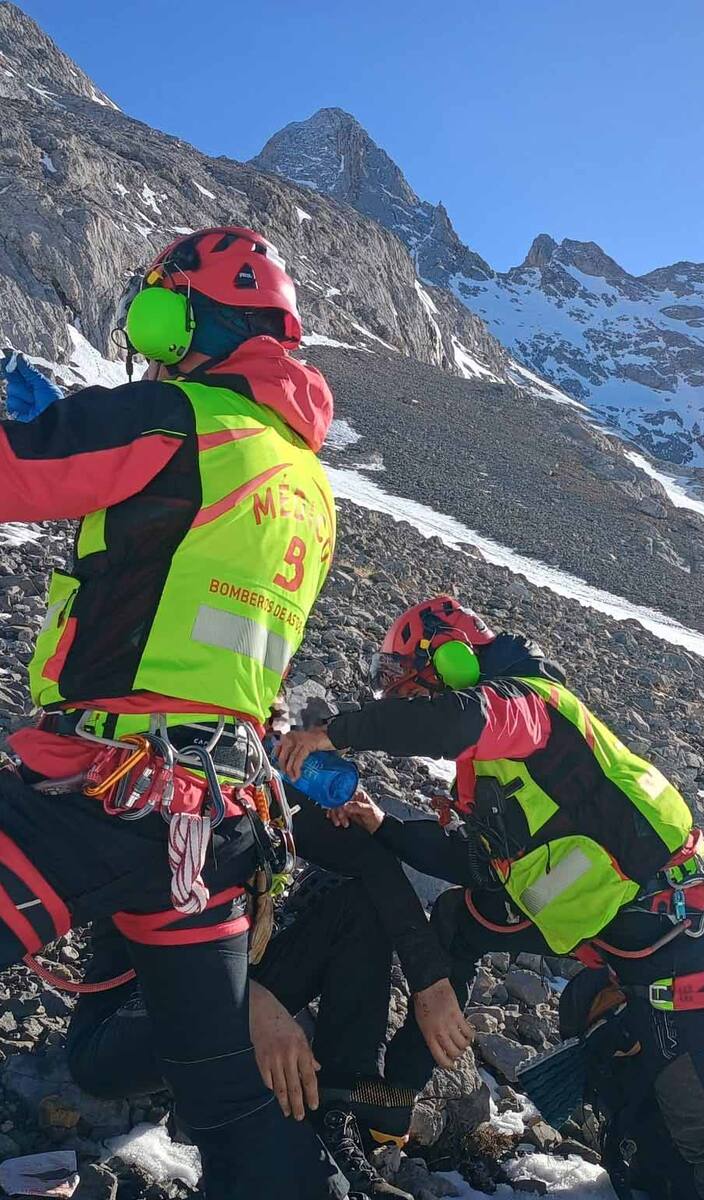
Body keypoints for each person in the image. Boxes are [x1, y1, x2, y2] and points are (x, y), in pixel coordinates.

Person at [0, 226, 350, 1199]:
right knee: (232, 1103)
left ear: (203, 319)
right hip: (213, 823)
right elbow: (181, 572)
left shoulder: (172, 415)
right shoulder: (302, 479)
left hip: (98, 792)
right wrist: (72, 426)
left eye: (160, 316)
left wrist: (52, 432)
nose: (149, 345)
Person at [278, 595, 704, 1200]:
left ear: (453, 662)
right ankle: (393, 1108)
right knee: (458, 918)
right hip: (604, 923)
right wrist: (384, 825)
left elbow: (452, 722)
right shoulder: (489, 764)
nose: (399, 700)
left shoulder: (525, 707)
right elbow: (481, 867)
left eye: (405, 683)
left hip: (671, 929)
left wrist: (335, 731)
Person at [66, 869, 421, 1199]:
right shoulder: (157, 814)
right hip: (119, 1023)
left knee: (360, 899)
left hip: (224, 982)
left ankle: (335, 1111)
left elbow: (369, 858)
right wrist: (245, 996)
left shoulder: (244, 812)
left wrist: (432, 980)